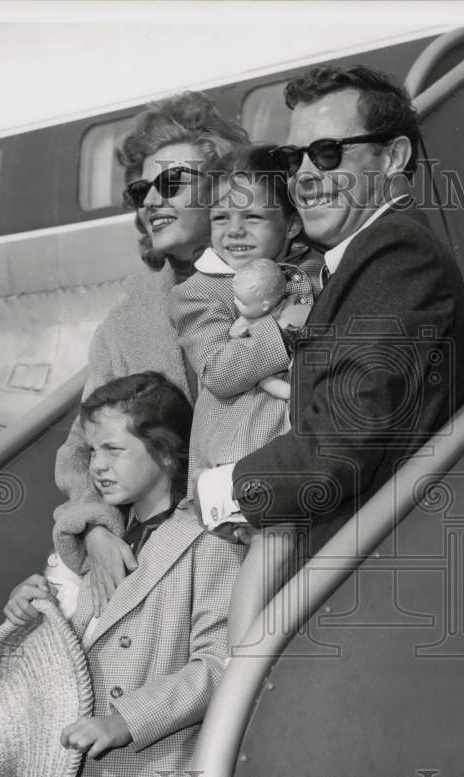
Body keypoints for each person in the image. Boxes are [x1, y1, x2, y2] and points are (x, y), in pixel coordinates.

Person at [196, 66, 464, 599]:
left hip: (357, 579)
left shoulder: (398, 255)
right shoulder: (354, 261)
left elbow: (342, 440)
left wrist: (219, 487)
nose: (303, 174)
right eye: (291, 157)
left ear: (393, 159)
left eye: (326, 152)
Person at [3, 372, 244, 777]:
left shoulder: (205, 541)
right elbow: (69, 655)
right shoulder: (96, 540)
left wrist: (123, 721)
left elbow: (219, 665)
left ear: (164, 451)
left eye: (114, 450)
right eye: (92, 452)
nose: (99, 468)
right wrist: (29, 611)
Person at [52, 92, 247, 617]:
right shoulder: (124, 323)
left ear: (222, 186)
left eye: (173, 183)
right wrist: (93, 526)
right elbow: (80, 449)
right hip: (168, 566)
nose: (153, 201)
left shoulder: (271, 286)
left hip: (260, 546)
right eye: (143, 189)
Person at [170, 143, 323, 649]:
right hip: (237, 457)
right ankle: (241, 669)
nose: (234, 230)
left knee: (289, 562)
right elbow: (217, 369)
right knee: (265, 553)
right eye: (220, 217)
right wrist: (282, 331)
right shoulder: (198, 293)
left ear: (292, 225)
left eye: (253, 216)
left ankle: (267, 662)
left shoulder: (310, 275)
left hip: (294, 446)